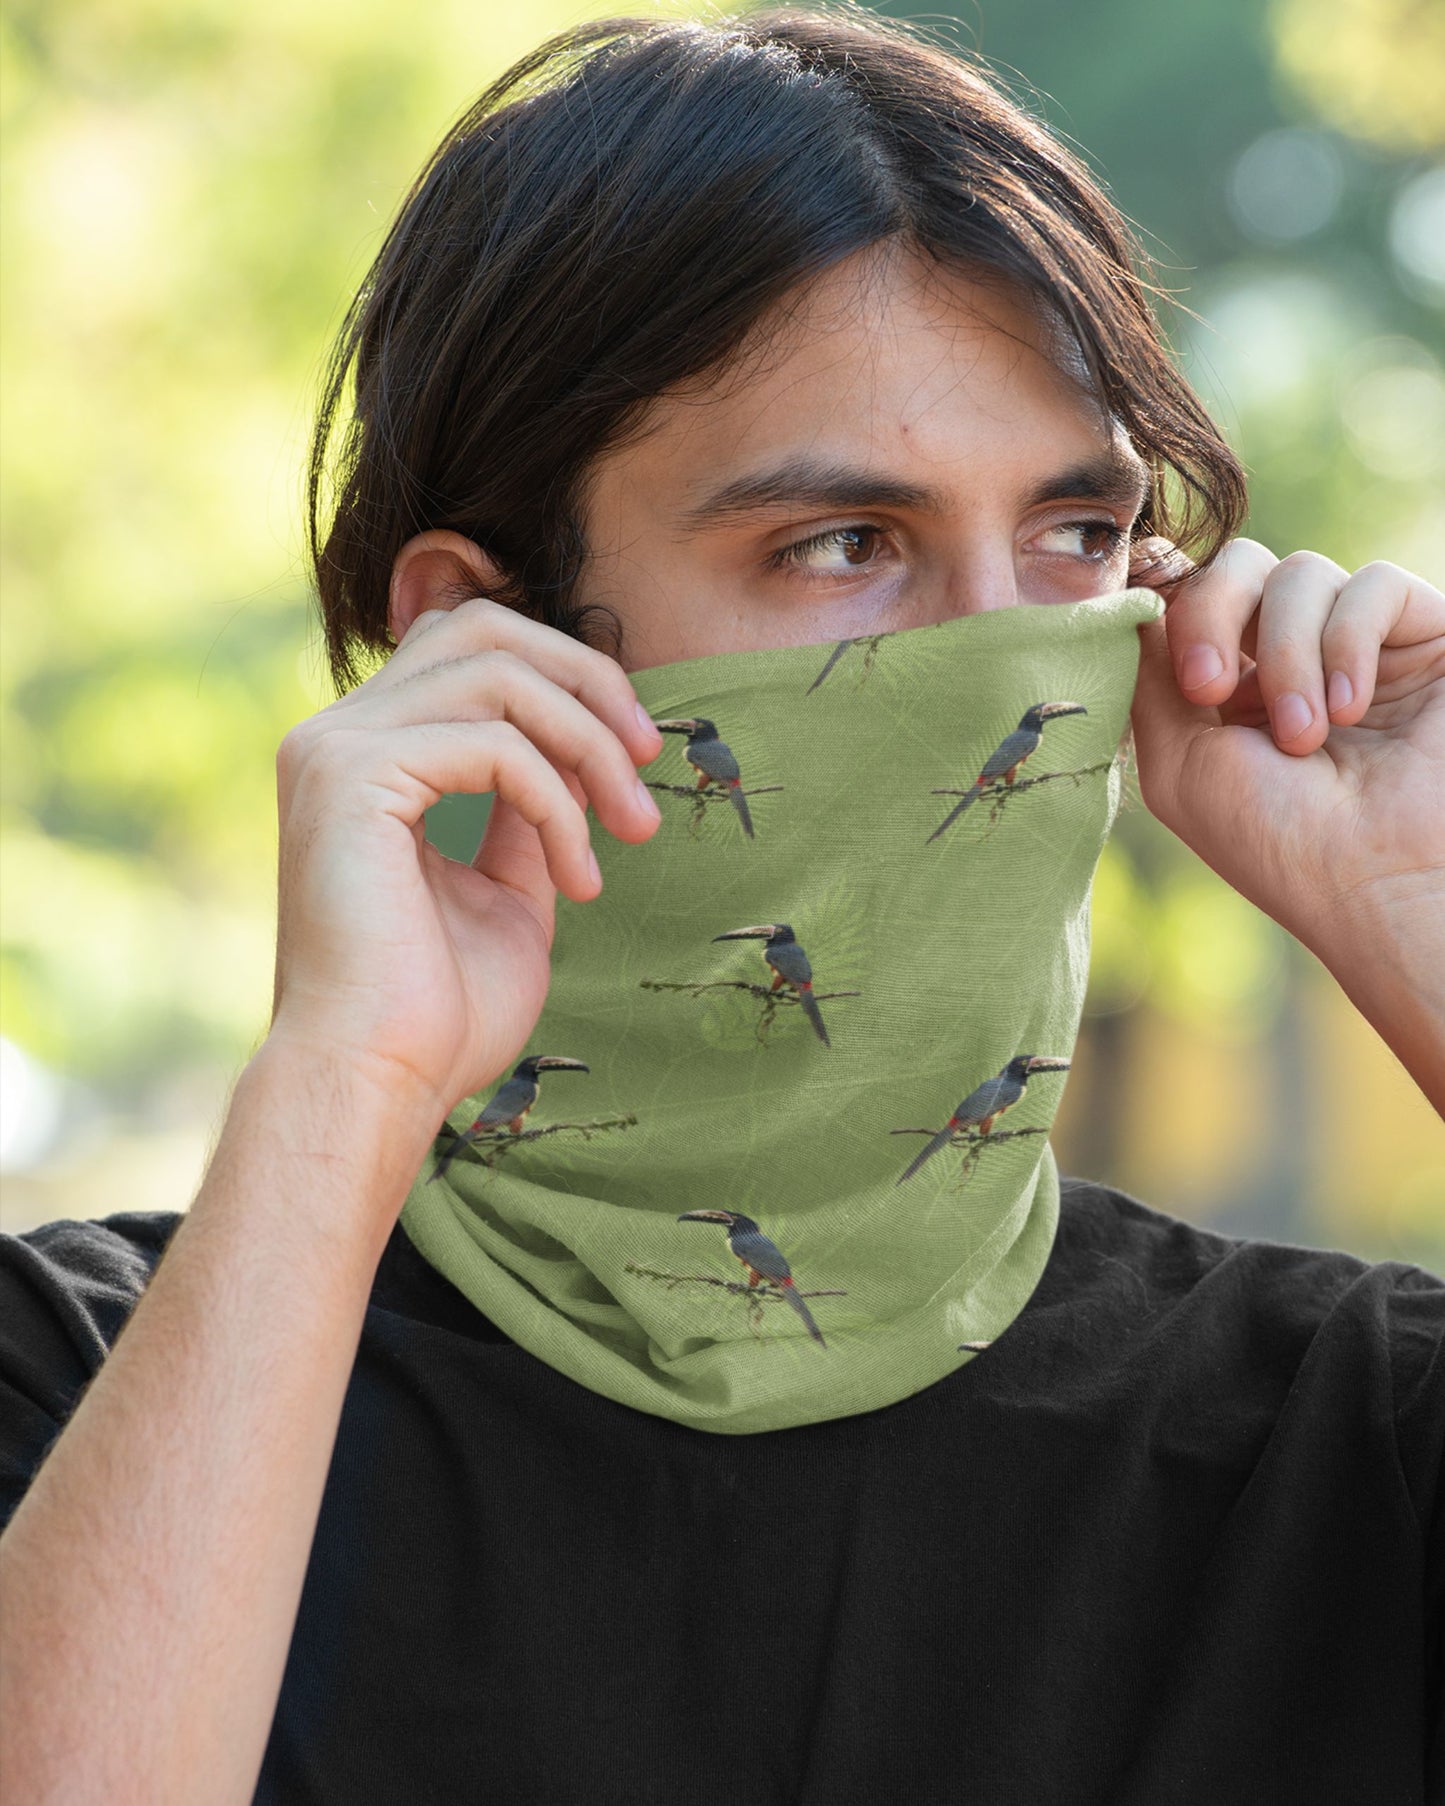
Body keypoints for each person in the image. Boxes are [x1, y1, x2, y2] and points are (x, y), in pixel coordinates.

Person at [2, 8, 1441, 1801]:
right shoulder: (74, 1389)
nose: (1007, 659)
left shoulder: (1350, 1432)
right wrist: (339, 1080)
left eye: (1074, 540)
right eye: (844, 545)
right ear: (485, 638)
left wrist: (1417, 904)